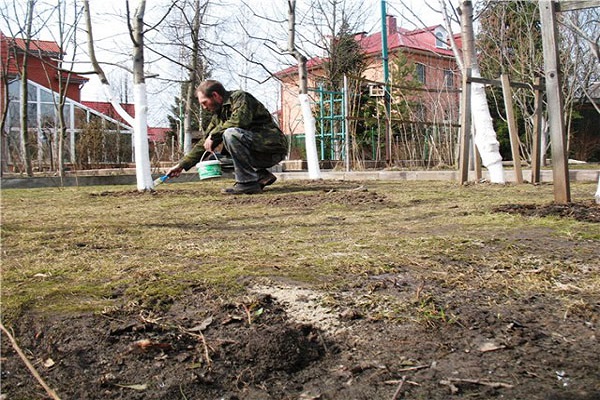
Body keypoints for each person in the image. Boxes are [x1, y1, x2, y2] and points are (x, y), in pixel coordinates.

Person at [166, 80, 288, 194]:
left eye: (204, 102)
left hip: (271, 148)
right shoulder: (219, 116)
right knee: (215, 161)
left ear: (215, 95)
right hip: (255, 152)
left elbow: (239, 121)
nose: (204, 107)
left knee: (231, 133)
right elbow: (204, 143)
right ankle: (260, 176)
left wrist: (214, 135)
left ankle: (248, 183)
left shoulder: (240, 97)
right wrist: (181, 165)